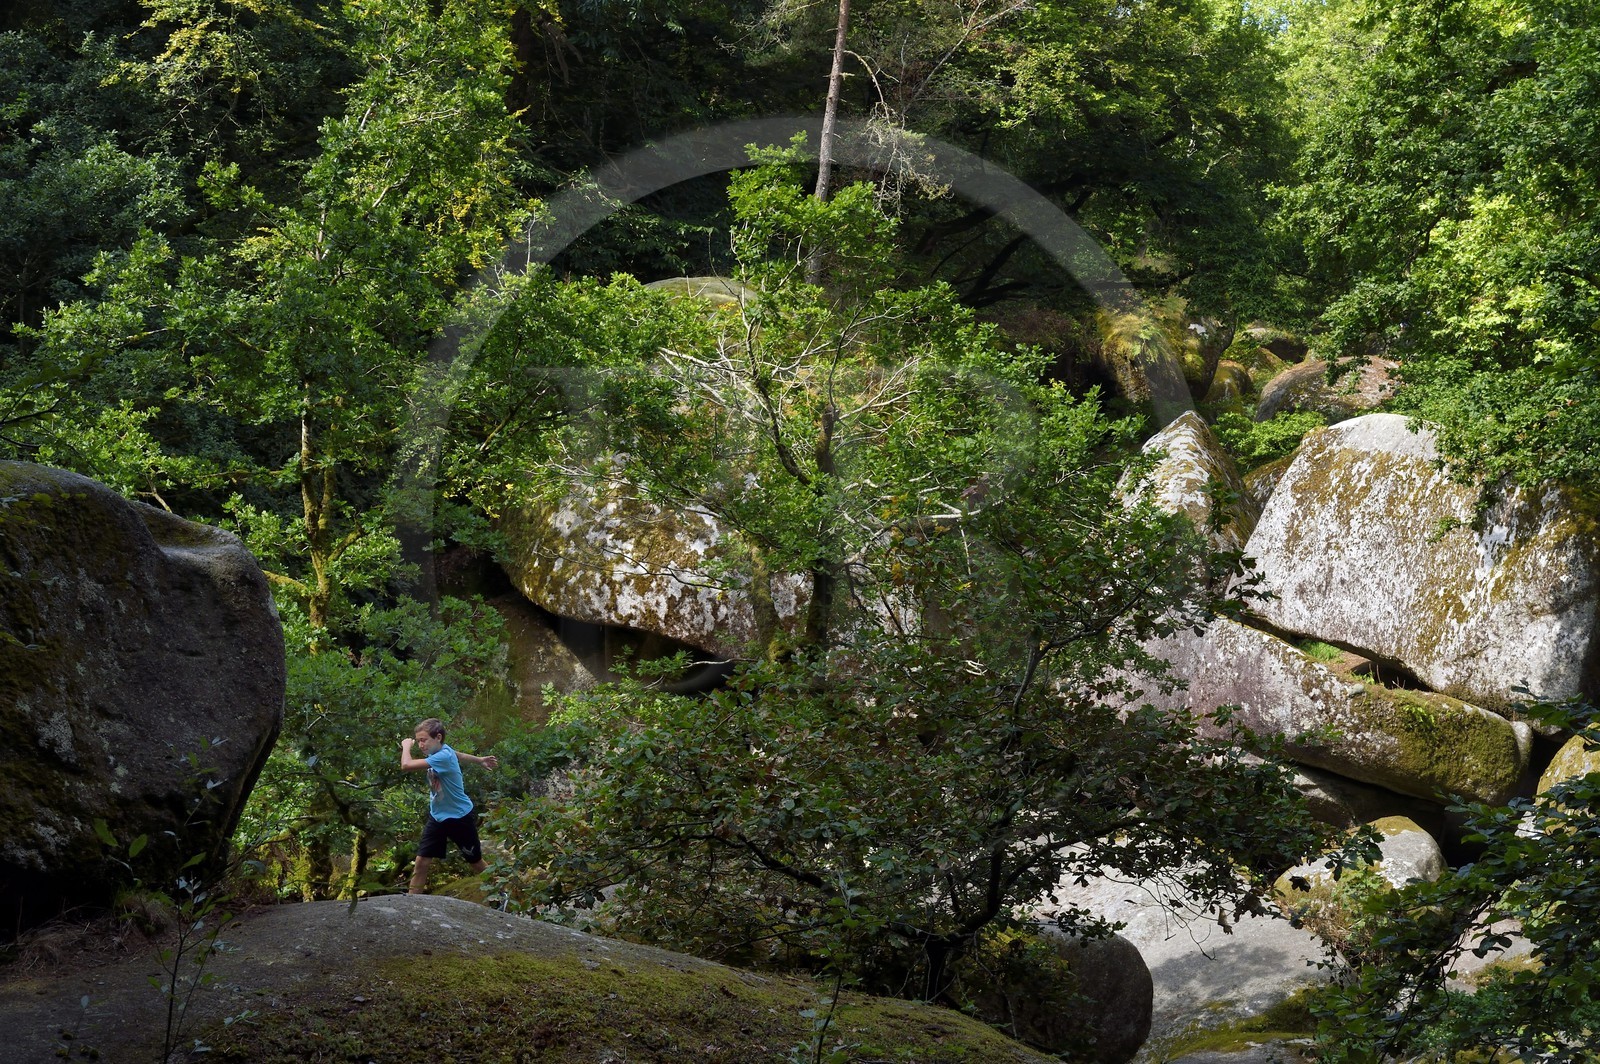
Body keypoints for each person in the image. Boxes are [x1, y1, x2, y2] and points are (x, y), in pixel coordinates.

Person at [399, 717, 498, 895]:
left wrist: (406, 746)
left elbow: (406, 765)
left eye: (424, 740)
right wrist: (479, 760)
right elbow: (458, 754)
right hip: (437, 817)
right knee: (421, 861)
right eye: (418, 741)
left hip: (459, 818)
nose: (421, 745)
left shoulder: (443, 756)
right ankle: (412, 904)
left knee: (476, 863)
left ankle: (503, 890)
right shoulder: (441, 751)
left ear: (438, 737)